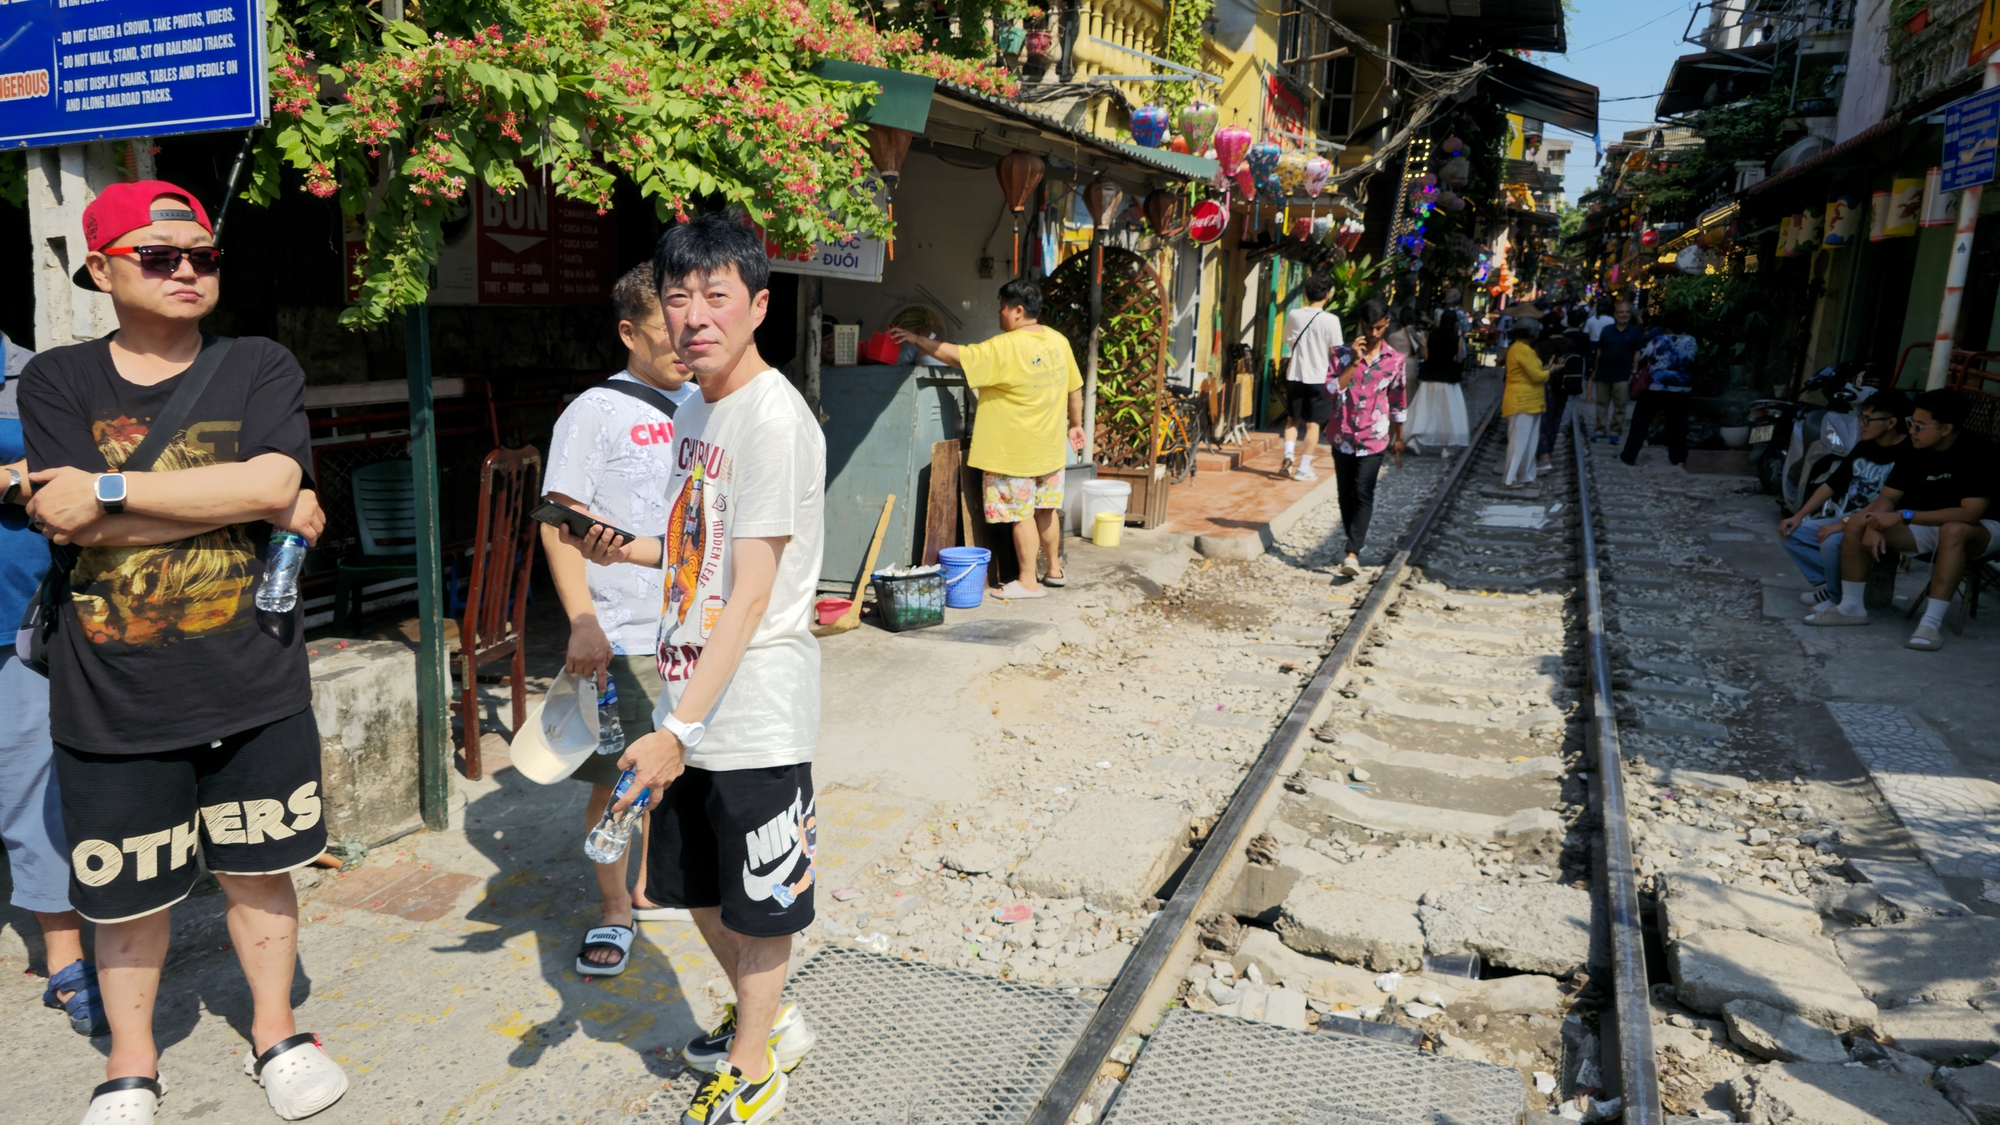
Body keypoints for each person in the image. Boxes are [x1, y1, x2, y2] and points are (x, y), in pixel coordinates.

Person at [20, 181, 344, 1123]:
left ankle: (277, 1032)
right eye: (158, 256)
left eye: (202, 255)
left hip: (254, 678)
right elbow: (68, 521)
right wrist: (242, 496)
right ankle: (131, 1061)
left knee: (260, 868)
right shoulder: (59, 380)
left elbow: (279, 477)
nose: (187, 270)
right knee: (124, 898)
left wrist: (112, 491)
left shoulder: (257, 363)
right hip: (113, 692)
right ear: (101, 268)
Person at [565, 214, 825, 1125]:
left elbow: (751, 595)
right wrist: (631, 549)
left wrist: (676, 729)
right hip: (691, 686)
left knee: (759, 902)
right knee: (697, 889)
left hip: (751, 702)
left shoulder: (773, 421)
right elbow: (698, 543)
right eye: (678, 297)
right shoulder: (693, 406)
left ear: (758, 304)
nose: (694, 315)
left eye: (717, 295)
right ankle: (771, 1019)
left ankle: (754, 1068)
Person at [541, 263, 703, 977]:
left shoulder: (708, 402)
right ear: (629, 331)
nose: (684, 338)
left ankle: (644, 887)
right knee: (619, 783)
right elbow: (558, 524)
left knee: (673, 772)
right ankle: (612, 908)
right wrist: (582, 620)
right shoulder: (593, 412)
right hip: (622, 631)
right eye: (666, 326)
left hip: (689, 630)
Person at [3, 330, 107, 1043]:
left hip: (16, 616)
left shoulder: (34, 374)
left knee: (29, 785)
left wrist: (13, 476)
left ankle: (66, 958)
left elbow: (91, 464)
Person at [892, 280, 1084, 598]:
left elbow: (958, 357)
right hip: (1049, 448)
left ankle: (1027, 582)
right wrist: (1075, 425)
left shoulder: (1006, 346)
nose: (1000, 314)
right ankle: (1053, 570)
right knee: (1046, 510)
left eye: (1002, 308)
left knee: (1021, 515)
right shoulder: (1059, 342)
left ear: (1018, 311)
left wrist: (916, 339)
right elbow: (1074, 388)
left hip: (1014, 451)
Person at [1804, 389, 1997, 650]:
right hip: (1925, 523)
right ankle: (1851, 607)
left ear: (1946, 428)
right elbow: (1888, 498)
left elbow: (1970, 513)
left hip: (1983, 528)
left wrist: (1903, 516)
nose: (1913, 431)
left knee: (1953, 530)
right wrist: (1873, 521)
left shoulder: (1979, 450)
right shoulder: (1915, 448)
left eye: (1919, 425)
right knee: (1859, 521)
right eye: (1911, 424)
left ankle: (1930, 624)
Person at [1778, 391, 1911, 608]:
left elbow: (1888, 500)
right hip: (1848, 516)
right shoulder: (1864, 446)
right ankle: (1830, 586)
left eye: (1868, 419)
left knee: (1830, 541)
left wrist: (1842, 524)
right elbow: (1832, 484)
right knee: (1791, 532)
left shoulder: (1908, 453)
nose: (1862, 425)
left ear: (1891, 423)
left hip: (1877, 523)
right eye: (1861, 418)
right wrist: (1799, 516)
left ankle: (1836, 598)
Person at [1326, 298, 1408, 577]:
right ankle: (1352, 541)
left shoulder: (1395, 360)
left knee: (1363, 491)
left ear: (1386, 324)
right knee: (1345, 494)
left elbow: (1398, 399)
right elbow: (1332, 390)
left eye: (1379, 328)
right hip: (1342, 435)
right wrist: (1353, 362)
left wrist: (1400, 436)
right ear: (1361, 325)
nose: (1373, 334)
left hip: (1374, 438)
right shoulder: (1339, 354)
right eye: (1368, 328)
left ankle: (1352, 552)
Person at [1275, 272, 1343, 481]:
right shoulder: (1331, 320)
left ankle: (1288, 453)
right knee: (1312, 425)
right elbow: (1336, 352)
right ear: (1327, 295)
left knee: (1292, 420)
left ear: (1306, 293)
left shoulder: (1294, 315)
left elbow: (1288, 339)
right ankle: (1304, 467)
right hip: (1319, 378)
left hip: (1295, 374)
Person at [1619, 311, 1699, 468]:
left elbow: (1644, 358)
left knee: (1641, 422)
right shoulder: (1691, 341)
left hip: (1655, 386)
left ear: (1667, 325)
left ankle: (1629, 455)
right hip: (1680, 388)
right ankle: (1678, 457)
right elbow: (1692, 360)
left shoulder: (1658, 340)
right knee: (1678, 423)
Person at [1406, 289, 1470, 453]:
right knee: (1446, 414)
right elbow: (1460, 359)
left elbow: (1426, 355)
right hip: (1448, 379)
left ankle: (1414, 439)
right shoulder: (1457, 340)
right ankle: (1444, 448)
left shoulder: (1431, 336)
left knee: (1424, 409)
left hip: (1429, 377)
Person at [1502, 321, 1560, 487]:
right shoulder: (1523, 350)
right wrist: (1549, 371)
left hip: (1530, 401)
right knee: (1519, 442)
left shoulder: (1520, 349)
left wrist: (1546, 369)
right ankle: (1509, 479)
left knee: (1528, 442)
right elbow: (1536, 376)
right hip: (1522, 401)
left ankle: (1526, 476)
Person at [1590, 301, 1644, 441]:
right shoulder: (1607, 330)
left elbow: (1637, 352)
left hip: (1623, 374)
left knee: (1620, 406)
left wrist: (1635, 371)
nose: (1624, 314)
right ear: (1615, 314)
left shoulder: (1634, 331)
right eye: (1621, 312)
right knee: (1601, 403)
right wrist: (1595, 370)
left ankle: (1615, 431)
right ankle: (1599, 429)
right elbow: (1599, 351)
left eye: (1626, 312)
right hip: (1603, 372)